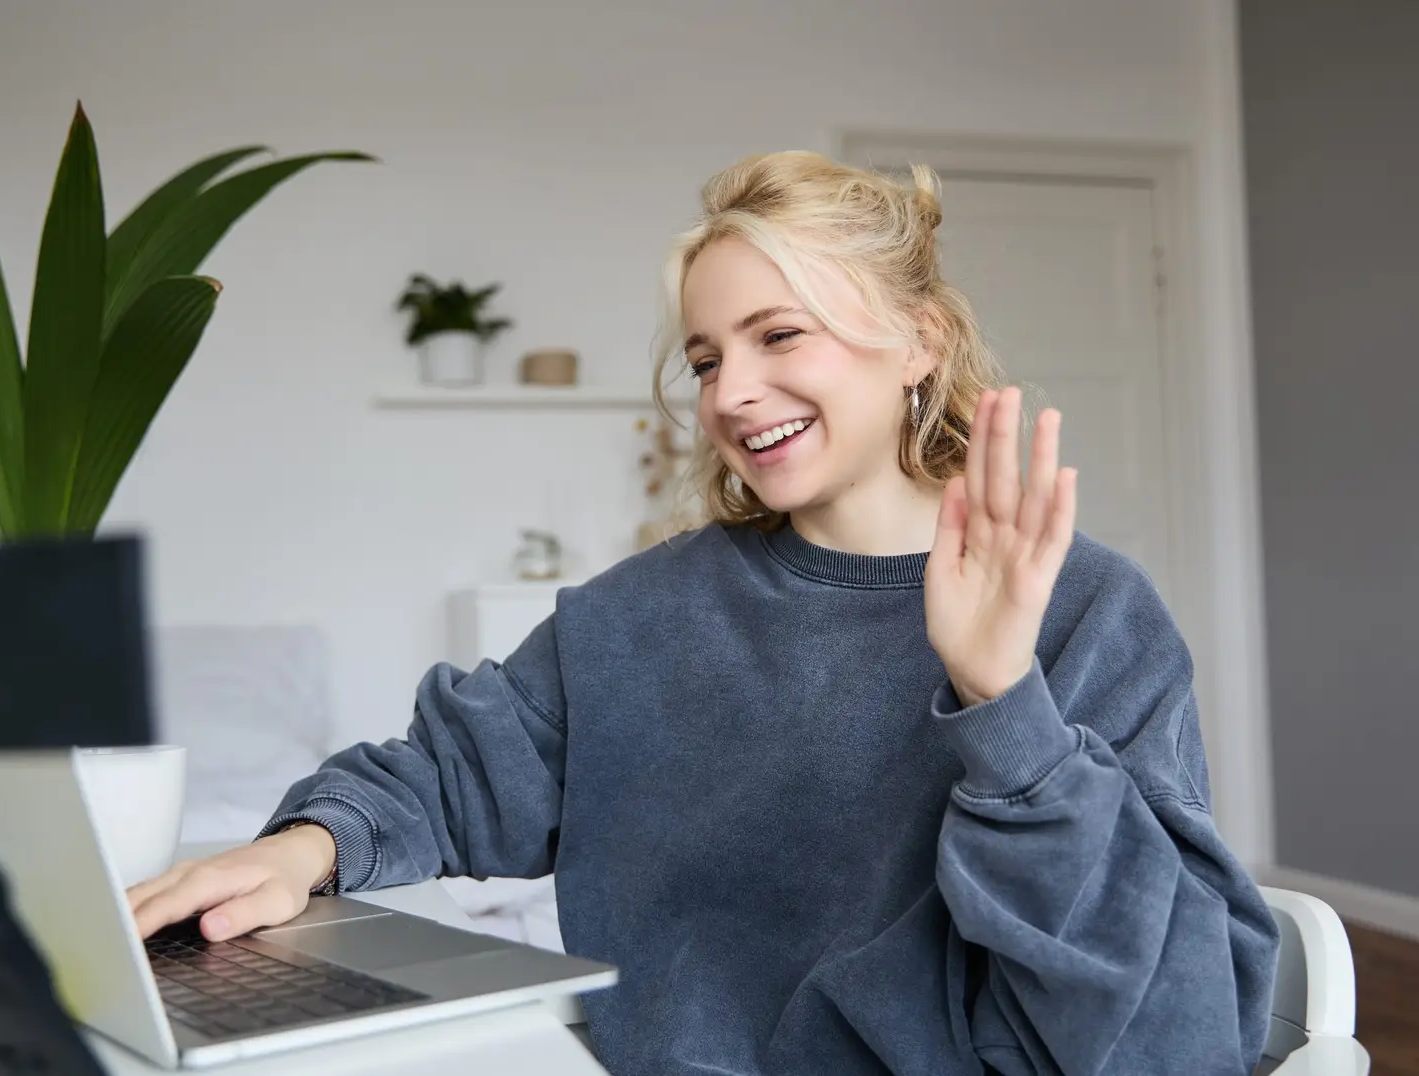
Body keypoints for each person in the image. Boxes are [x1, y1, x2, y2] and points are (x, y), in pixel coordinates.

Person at [125, 151, 1280, 1075]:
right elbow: (452, 772)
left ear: (920, 338)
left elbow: (1180, 1034)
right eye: (705, 356)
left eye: (780, 335)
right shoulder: (638, 615)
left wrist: (1004, 705)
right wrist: (302, 847)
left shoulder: (1089, 614)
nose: (729, 393)